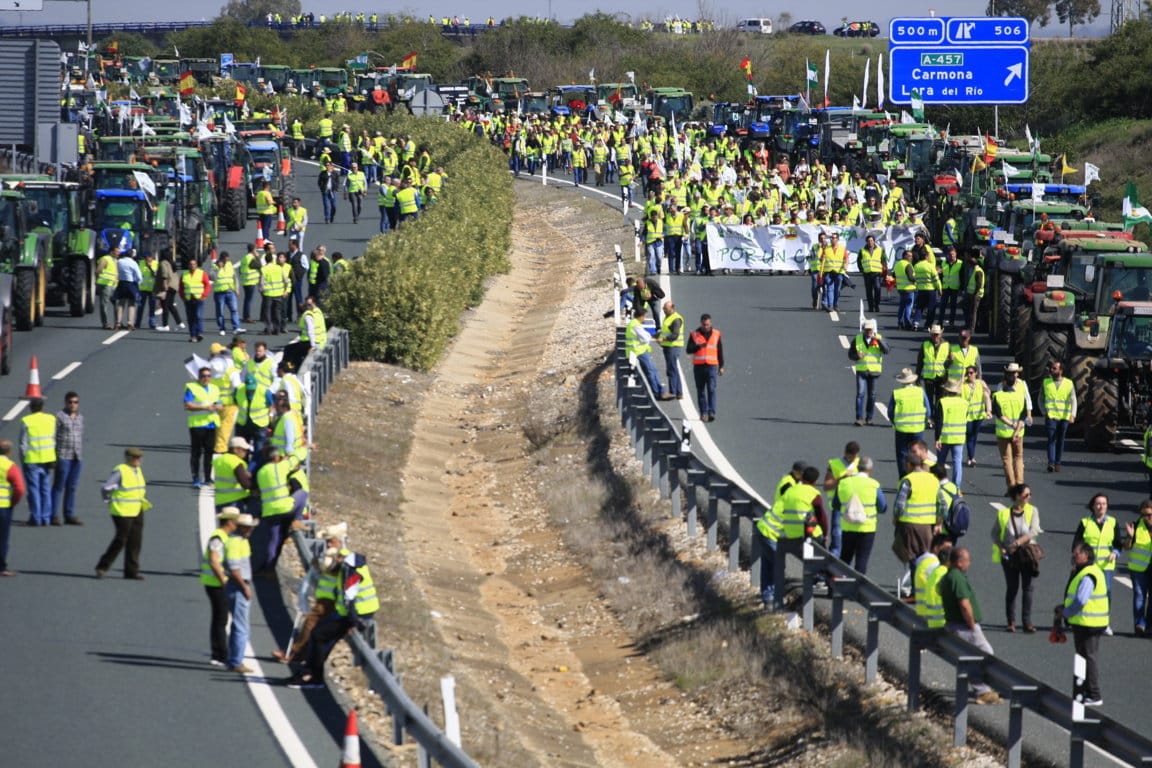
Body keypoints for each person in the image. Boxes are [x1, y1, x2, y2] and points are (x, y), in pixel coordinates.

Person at [287, 546, 379, 689]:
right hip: (349, 612)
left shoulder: (350, 571)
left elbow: (350, 600)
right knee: (319, 635)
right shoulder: (351, 565)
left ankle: (313, 677)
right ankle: (309, 673)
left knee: (319, 635)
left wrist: (354, 623)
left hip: (356, 613)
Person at [273, 522, 347, 663]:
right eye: (327, 542)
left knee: (310, 624)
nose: (328, 544)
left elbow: (334, 571)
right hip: (324, 598)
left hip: (332, 601)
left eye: (331, 541)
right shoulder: (327, 554)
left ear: (339, 541)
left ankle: (295, 653)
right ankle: (302, 655)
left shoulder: (342, 557)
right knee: (313, 628)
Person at [938, 547, 1002, 704]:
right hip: (964, 626)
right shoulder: (957, 578)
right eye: (967, 560)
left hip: (955, 624)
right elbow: (964, 604)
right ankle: (983, 691)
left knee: (973, 656)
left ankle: (984, 689)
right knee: (985, 654)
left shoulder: (948, 577)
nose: (969, 563)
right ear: (959, 562)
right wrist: (972, 624)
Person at [1061, 540, 1109, 706]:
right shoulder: (1085, 571)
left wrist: (1066, 613)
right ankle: (1084, 693)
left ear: (1086, 555)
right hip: (1088, 622)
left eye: (1077, 554)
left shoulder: (1089, 574)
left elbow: (1081, 600)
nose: (1074, 557)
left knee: (1088, 658)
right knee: (1085, 657)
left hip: (1088, 623)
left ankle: (1094, 694)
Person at [772, 465, 826, 606]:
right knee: (821, 551)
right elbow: (821, 517)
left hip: (790, 534)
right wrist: (825, 534)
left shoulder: (790, 490)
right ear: (815, 481)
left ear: (802, 478)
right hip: (808, 535)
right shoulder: (814, 494)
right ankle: (819, 579)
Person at [757, 461, 807, 608]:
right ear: (797, 472)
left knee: (769, 564)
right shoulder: (789, 485)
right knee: (777, 565)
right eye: (802, 474)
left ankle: (769, 597)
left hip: (769, 529)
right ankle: (775, 599)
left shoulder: (793, 482)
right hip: (771, 530)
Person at [992, 484, 1041, 633]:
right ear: (1017, 496)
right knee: (1012, 588)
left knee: (1028, 589)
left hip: (1027, 556)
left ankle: (1027, 622)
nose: (1029, 497)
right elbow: (994, 533)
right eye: (1026, 495)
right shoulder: (1003, 514)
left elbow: (1034, 530)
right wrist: (1001, 547)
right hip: (1010, 557)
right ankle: (1011, 621)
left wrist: (1018, 543)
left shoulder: (1033, 511)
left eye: (1030, 494)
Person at [1074, 492, 1124, 636]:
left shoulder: (1113, 522)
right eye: (1098, 503)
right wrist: (1078, 558)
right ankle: (1082, 620)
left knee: (1105, 594)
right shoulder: (1085, 522)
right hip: (1088, 566)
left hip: (1106, 566)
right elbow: (1077, 543)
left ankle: (1104, 623)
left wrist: (1115, 553)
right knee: (1084, 592)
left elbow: (1118, 544)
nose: (1101, 506)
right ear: (1093, 506)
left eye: (1104, 504)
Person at [95, 447, 149, 580]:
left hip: (137, 509)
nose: (139, 460)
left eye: (140, 458)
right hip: (122, 510)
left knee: (135, 541)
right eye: (136, 458)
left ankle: (131, 571)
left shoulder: (137, 470)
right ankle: (102, 566)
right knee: (121, 539)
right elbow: (106, 488)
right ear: (129, 458)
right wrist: (108, 500)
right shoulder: (121, 471)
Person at [893, 454, 939, 596]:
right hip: (928, 525)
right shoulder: (933, 479)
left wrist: (896, 518)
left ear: (909, 465)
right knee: (926, 556)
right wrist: (939, 522)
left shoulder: (908, 480)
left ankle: (915, 589)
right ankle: (928, 587)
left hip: (910, 524)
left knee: (912, 557)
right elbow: (942, 503)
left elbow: (900, 505)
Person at [255, 446, 306, 570]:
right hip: (284, 507)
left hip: (268, 511)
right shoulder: (280, 467)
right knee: (303, 494)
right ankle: (297, 520)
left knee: (273, 539)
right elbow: (296, 459)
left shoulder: (261, 472)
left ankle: (268, 567)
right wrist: (306, 448)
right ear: (276, 457)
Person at [201, 507, 240, 667]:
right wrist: (224, 580)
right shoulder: (218, 538)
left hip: (215, 582)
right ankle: (219, 654)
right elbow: (214, 561)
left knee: (220, 617)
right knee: (220, 618)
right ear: (230, 522)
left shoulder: (224, 537)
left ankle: (219, 652)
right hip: (215, 583)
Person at [836, 456, 885, 575]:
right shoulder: (874, 485)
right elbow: (882, 507)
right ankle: (858, 590)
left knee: (845, 558)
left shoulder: (844, 483)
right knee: (861, 561)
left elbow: (835, 505)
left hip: (848, 527)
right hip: (867, 528)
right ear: (870, 469)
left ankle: (840, 587)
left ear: (858, 468)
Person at [225, 512, 259, 674]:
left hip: (238, 585)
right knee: (241, 626)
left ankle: (234, 658)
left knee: (239, 624)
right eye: (248, 528)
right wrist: (244, 587)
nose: (250, 531)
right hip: (238, 586)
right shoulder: (235, 543)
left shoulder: (242, 541)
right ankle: (236, 661)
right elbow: (234, 568)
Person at [992, 363, 1029, 492]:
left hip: (1003, 433)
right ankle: (1020, 485)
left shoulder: (998, 395)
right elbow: (1023, 414)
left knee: (1007, 460)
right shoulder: (1020, 395)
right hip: (1018, 433)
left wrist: (1011, 425)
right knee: (1018, 458)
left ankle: (1012, 487)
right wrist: (1016, 430)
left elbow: (998, 414)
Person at [19, 397, 56, 527]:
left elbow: (23, 444)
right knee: (45, 488)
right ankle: (46, 518)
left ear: (30, 408)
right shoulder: (51, 419)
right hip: (47, 458)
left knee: (34, 489)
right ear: (42, 407)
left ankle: (36, 517)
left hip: (32, 459)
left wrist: (23, 460)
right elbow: (53, 438)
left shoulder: (27, 421)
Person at [185, 367, 222, 488]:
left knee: (209, 452)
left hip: (211, 424)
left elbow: (219, 403)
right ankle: (195, 478)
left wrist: (218, 407)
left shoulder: (214, 388)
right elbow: (187, 405)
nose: (206, 378)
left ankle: (207, 477)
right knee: (196, 453)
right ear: (199, 377)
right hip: (197, 424)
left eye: (208, 376)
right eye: (203, 376)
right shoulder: (191, 387)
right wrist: (205, 408)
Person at [889, 368, 930, 475]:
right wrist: (924, 422)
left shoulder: (897, 393)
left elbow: (890, 412)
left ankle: (903, 478)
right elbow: (928, 411)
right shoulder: (920, 391)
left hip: (901, 429)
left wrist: (895, 423)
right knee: (917, 453)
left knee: (902, 455)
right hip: (918, 428)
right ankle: (917, 476)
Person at [822, 441, 860, 559]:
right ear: (845, 453)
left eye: (854, 456)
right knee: (837, 535)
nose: (852, 459)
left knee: (854, 537)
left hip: (856, 505)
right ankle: (834, 559)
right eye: (850, 456)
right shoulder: (834, 464)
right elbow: (827, 485)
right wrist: (841, 479)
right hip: (838, 505)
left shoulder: (860, 464)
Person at [51, 391, 83, 526]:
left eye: (75, 402)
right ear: (65, 403)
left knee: (72, 487)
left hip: (77, 457)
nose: (73, 405)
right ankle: (53, 515)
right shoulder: (59, 417)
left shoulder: (80, 417)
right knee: (59, 486)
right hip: (63, 456)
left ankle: (69, 514)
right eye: (70, 402)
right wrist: (53, 457)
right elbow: (52, 437)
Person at [851, 318, 890, 426]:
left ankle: (869, 417)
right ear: (863, 329)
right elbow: (850, 354)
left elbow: (887, 350)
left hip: (874, 372)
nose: (869, 332)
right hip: (862, 371)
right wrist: (856, 356)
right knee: (860, 394)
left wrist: (879, 341)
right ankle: (859, 418)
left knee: (872, 395)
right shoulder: (857, 339)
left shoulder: (879, 338)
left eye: (870, 330)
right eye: (867, 329)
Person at [686, 313, 723, 423]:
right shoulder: (694, 335)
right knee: (701, 390)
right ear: (701, 323)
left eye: (707, 324)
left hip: (712, 365)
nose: (705, 327)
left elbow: (720, 351)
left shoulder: (716, 334)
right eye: (704, 325)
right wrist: (698, 347)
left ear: (710, 323)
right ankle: (703, 412)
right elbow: (689, 349)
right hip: (699, 366)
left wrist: (721, 366)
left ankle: (712, 412)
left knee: (711, 389)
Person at [1041, 360, 1077, 472]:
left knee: (1060, 440)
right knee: (1051, 439)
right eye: (1051, 368)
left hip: (1064, 417)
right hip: (1051, 416)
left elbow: (1073, 400)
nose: (1051, 370)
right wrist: (1044, 411)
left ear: (1061, 371)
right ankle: (1051, 463)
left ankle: (1058, 462)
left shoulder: (1069, 383)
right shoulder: (1046, 382)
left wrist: (1073, 415)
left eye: (1054, 368)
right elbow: (1040, 399)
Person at [1124, 499, 1152, 635]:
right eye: (1146, 515)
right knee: (1140, 595)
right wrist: (1130, 537)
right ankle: (1139, 624)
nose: (1149, 518)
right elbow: (1127, 547)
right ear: (1141, 514)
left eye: (1151, 514)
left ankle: (1149, 624)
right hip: (1138, 568)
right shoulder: (1135, 526)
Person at [625, 306, 665, 398]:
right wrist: (649, 336)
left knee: (653, 370)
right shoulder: (636, 325)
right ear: (640, 316)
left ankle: (659, 390)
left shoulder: (633, 323)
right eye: (644, 316)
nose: (645, 318)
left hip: (636, 351)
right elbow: (645, 338)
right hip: (639, 351)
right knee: (651, 371)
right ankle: (657, 392)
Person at [913, 533, 952, 627]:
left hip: (923, 612)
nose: (949, 552)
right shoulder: (935, 565)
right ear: (935, 548)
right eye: (946, 549)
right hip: (932, 616)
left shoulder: (925, 562)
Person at [0, 441, 26, 577]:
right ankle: (1, 567)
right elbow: (20, 488)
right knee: (2, 539)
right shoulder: (10, 466)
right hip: (3, 507)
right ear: (9, 452)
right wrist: (13, 502)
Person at [935, 380, 968, 486]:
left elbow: (939, 422)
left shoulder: (942, 402)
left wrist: (937, 438)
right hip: (959, 437)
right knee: (957, 462)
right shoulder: (964, 403)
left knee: (941, 462)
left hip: (945, 437)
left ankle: (940, 483)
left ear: (946, 390)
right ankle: (956, 487)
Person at [213, 436, 253, 513]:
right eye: (244, 450)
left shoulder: (219, 460)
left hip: (219, 500)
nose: (246, 452)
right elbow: (245, 484)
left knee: (225, 524)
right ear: (235, 449)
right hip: (234, 501)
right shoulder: (236, 462)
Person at [916, 325, 951, 411]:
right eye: (933, 334)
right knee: (929, 399)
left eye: (937, 334)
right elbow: (920, 361)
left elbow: (951, 361)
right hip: (929, 377)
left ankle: (938, 418)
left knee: (940, 400)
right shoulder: (925, 345)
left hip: (941, 377)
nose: (935, 336)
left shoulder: (947, 345)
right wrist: (917, 376)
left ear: (940, 335)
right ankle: (930, 419)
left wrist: (948, 376)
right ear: (931, 334)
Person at [962, 366, 991, 468]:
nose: (969, 375)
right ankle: (971, 457)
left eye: (971, 373)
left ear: (976, 373)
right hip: (967, 415)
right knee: (969, 435)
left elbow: (987, 396)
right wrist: (961, 377)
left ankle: (970, 456)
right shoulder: (963, 384)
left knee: (974, 435)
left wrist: (988, 411)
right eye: (967, 373)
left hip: (979, 414)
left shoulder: (980, 383)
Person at [656, 301, 684, 401]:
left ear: (672, 308)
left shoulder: (676, 319)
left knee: (671, 370)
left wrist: (663, 340)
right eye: (663, 308)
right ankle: (679, 392)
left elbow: (675, 335)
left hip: (673, 347)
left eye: (665, 308)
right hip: (668, 347)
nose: (664, 310)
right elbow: (665, 331)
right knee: (674, 369)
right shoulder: (668, 317)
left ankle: (672, 392)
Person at [180, 257, 211, 343]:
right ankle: (193, 335)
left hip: (199, 298)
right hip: (188, 299)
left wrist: (204, 295)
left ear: (196, 265)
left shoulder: (202, 273)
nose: (192, 266)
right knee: (190, 318)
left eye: (194, 264)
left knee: (198, 316)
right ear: (188, 265)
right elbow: (181, 287)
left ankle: (200, 333)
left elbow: (207, 285)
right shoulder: (184, 274)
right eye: (190, 264)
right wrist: (183, 297)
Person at [211, 251, 243, 336]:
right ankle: (222, 328)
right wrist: (218, 268)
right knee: (220, 312)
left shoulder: (229, 265)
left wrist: (236, 288)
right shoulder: (215, 266)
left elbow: (234, 277)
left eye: (228, 259)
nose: (227, 261)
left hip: (230, 292)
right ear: (221, 259)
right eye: (226, 259)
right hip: (219, 293)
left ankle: (236, 327)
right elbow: (211, 277)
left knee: (234, 310)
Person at [153, 254, 184, 332]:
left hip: (168, 285)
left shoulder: (164, 263)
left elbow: (165, 274)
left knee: (165, 305)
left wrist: (164, 286)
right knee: (170, 305)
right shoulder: (171, 263)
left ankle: (165, 325)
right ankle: (179, 323)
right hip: (174, 286)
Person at [114, 247, 142, 330]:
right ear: (132, 256)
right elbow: (139, 276)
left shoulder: (119, 261)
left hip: (121, 282)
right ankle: (130, 323)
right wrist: (138, 283)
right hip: (130, 283)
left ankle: (118, 323)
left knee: (121, 303)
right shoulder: (133, 263)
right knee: (131, 304)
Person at [260, 251, 288, 335]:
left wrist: (262, 290)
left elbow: (261, 283)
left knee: (267, 312)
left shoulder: (263, 269)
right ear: (272, 260)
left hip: (268, 294)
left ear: (265, 260)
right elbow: (286, 281)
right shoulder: (279, 268)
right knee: (277, 312)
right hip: (278, 293)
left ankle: (269, 329)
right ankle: (277, 329)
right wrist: (285, 290)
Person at [858, 233, 885, 314]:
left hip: (877, 273)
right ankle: (870, 306)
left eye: (871, 240)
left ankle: (876, 305)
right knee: (869, 291)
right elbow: (859, 261)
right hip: (867, 273)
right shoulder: (862, 250)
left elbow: (883, 261)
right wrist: (862, 270)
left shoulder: (880, 250)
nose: (870, 242)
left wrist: (884, 271)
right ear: (866, 241)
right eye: (868, 241)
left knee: (877, 288)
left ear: (874, 241)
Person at [938, 246, 963, 327]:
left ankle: (951, 322)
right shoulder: (943, 263)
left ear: (956, 254)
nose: (951, 256)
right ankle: (940, 322)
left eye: (953, 254)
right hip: (945, 287)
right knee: (942, 306)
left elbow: (963, 276)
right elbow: (940, 275)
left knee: (953, 306)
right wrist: (939, 286)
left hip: (954, 288)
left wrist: (961, 288)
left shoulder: (960, 263)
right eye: (950, 254)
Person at [95, 246, 118, 329]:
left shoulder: (115, 260)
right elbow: (98, 270)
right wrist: (100, 280)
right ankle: (105, 323)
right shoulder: (105, 258)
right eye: (116, 251)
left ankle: (117, 323)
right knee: (104, 304)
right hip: (105, 285)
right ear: (111, 251)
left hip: (114, 285)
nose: (118, 253)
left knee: (117, 304)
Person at [962, 251, 985, 332]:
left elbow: (979, 284)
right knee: (969, 309)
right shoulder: (976, 270)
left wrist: (975, 294)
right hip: (971, 294)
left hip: (975, 295)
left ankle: (971, 328)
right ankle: (969, 325)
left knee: (973, 312)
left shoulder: (978, 271)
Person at [894, 249, 916, 330]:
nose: (911, 257)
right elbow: (911, 278)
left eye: (911, 256)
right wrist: (917, 279)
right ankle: (907, 322)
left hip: (900, 288)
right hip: (909, 288)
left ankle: (900, 322)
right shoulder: (908, 265)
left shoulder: (897, 264)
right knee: (908, 306)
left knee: (902, 306)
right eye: (909, 256)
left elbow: (894, 275)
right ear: (904, 256)